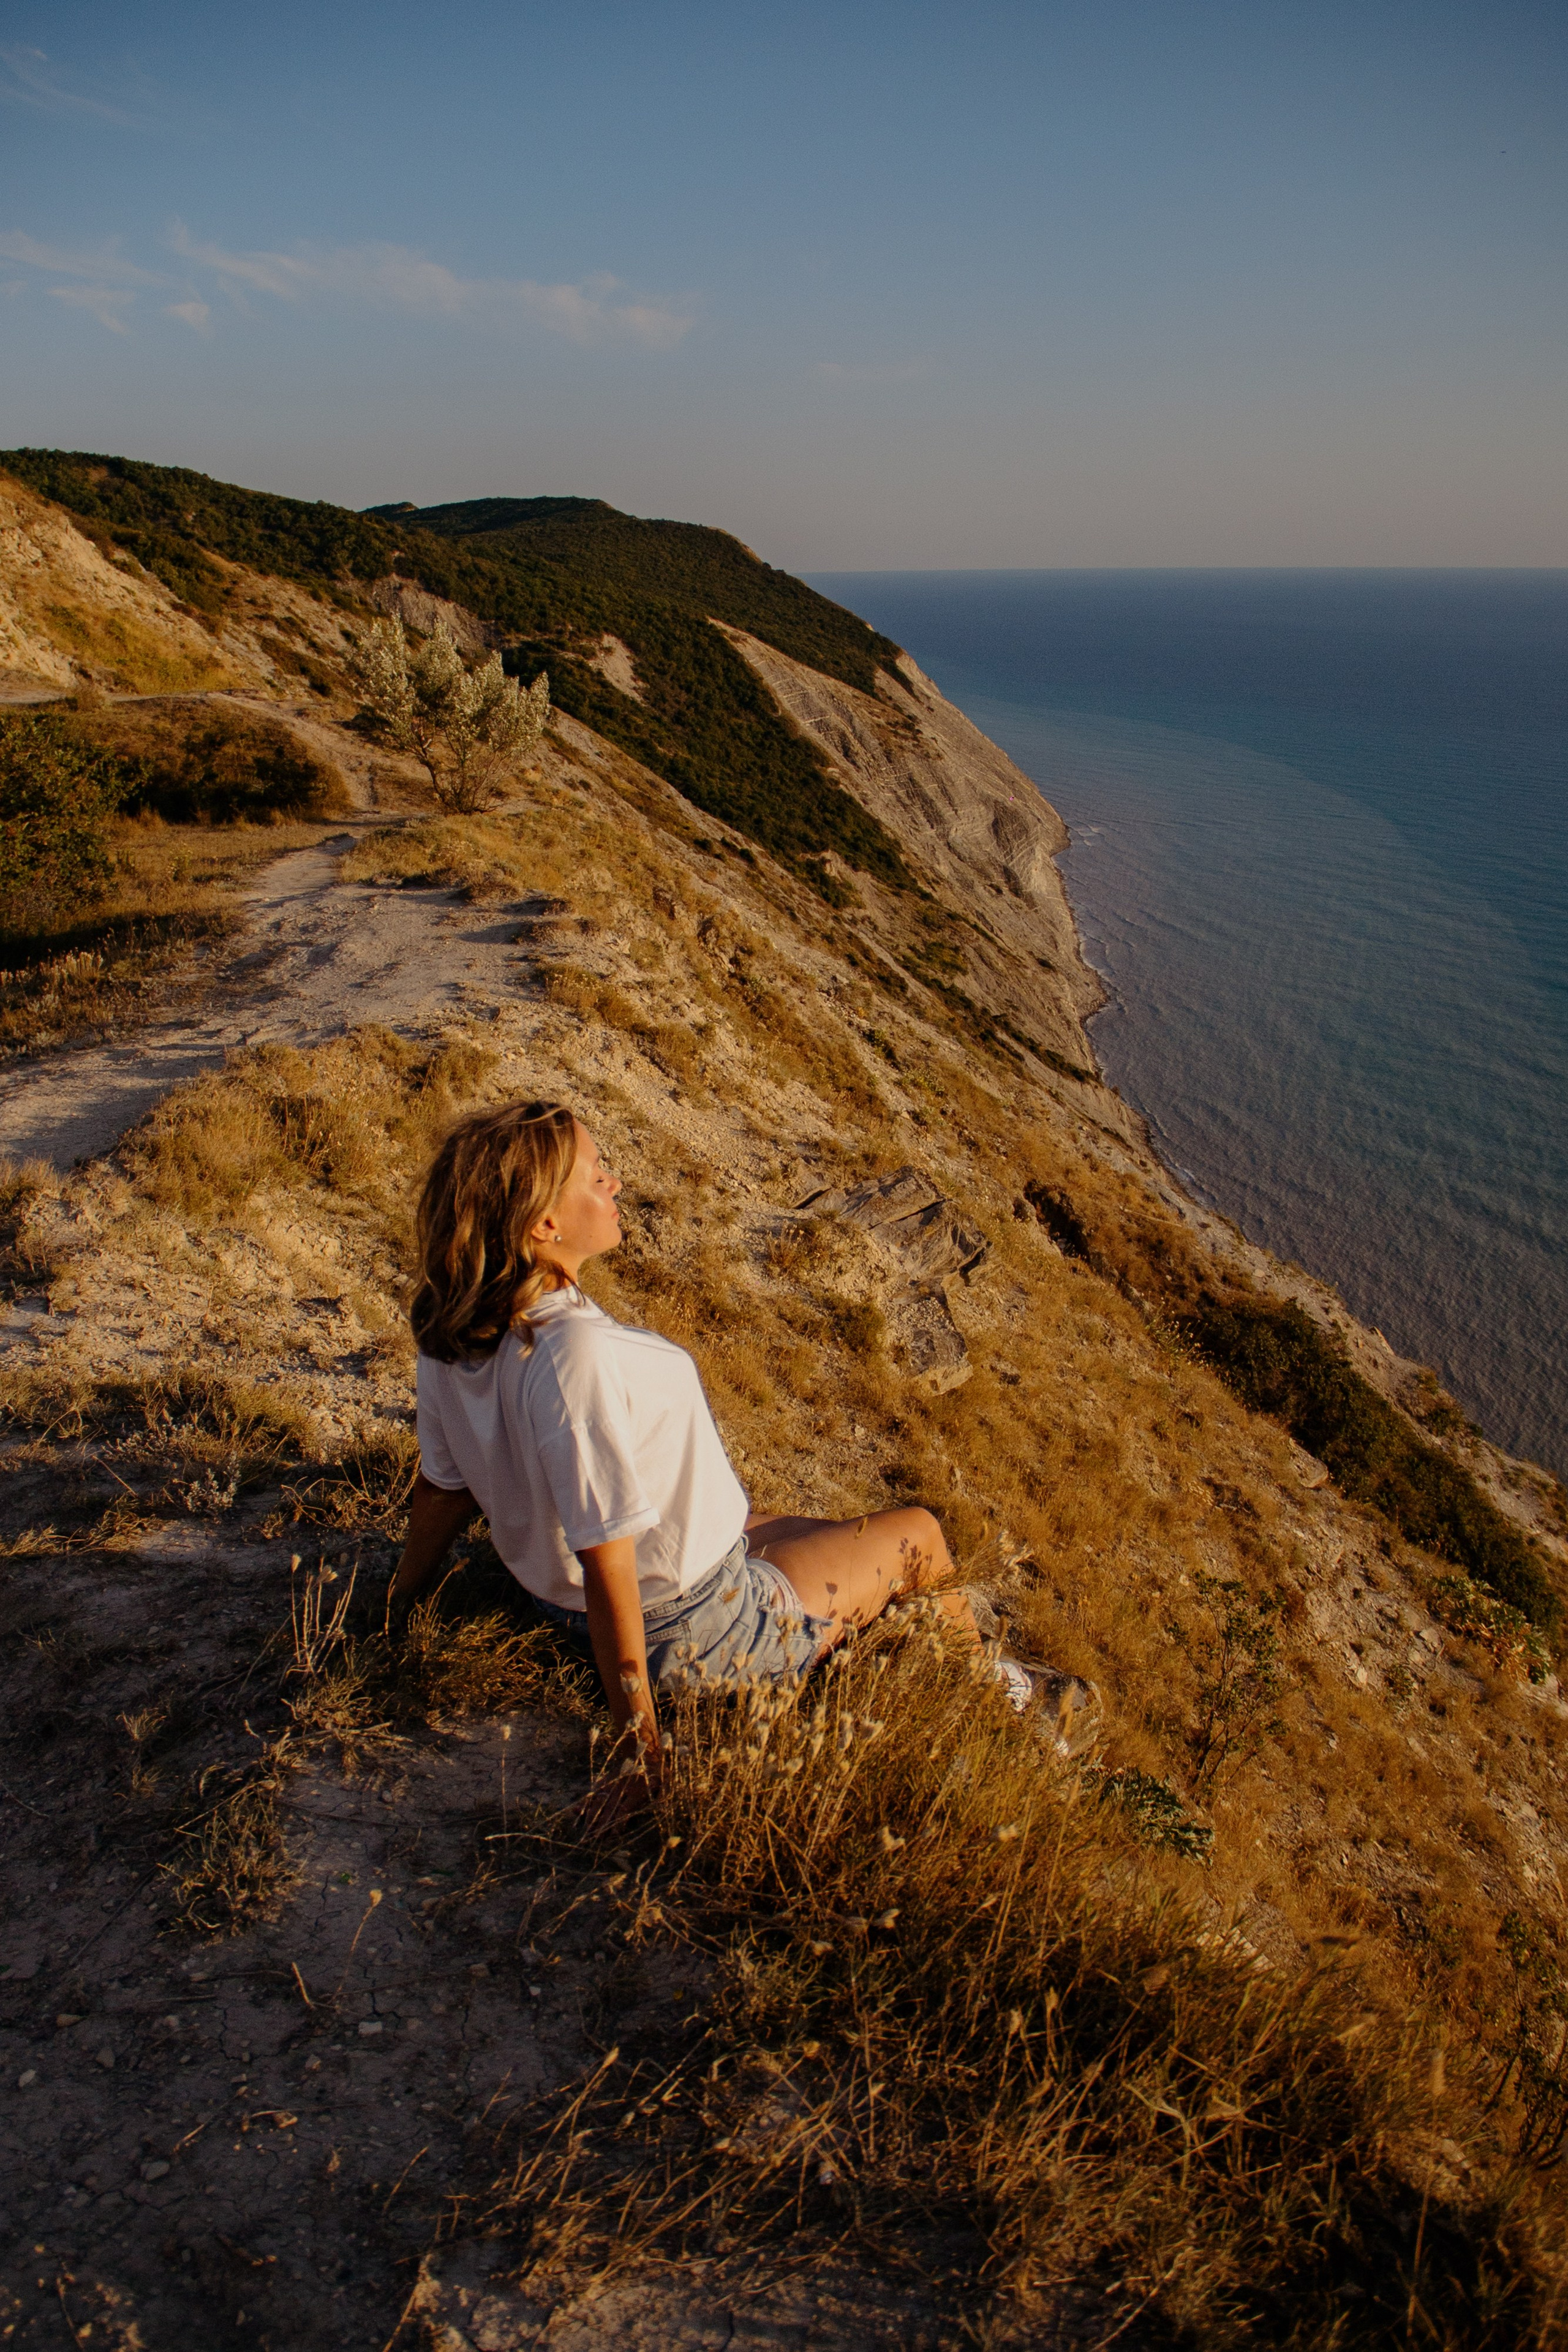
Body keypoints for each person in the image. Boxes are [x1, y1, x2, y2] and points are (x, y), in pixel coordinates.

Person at [387, 1099, 1066, 1804]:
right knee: (919, 1536)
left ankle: (968, 1671)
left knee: (799, 1527)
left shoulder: (456, 1321)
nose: (615, 1184)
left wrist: (393, 1605)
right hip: (697, 1631)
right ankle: (1011, 1709)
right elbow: (606, 1560)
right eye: (596, 1177)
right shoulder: (570, 1353)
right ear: (544, 1225)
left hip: (563, 1598)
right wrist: (636, 1754)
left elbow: (443, 1490)